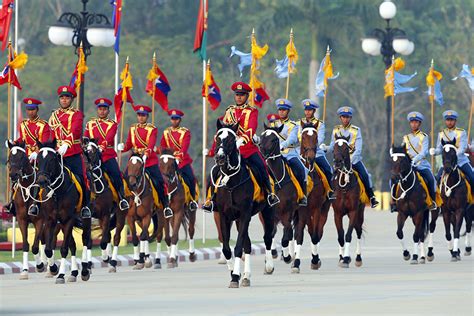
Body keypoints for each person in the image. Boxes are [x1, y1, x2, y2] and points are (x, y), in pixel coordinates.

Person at [202, 82, 279, 211]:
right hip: (231, 151)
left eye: (242, 95)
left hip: (248, 149)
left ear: (247, 96)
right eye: (237, 95)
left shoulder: (252, 111)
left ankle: (270, 194)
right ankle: (210, 200)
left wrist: (241, 141)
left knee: (263, 167)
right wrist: (213, 151)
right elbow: (222, 132)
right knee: (214, 172)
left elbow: (251, 129)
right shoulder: (229, 111)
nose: (239, 97)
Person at [118, 105, 173, 218]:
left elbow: (151, 144)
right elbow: (129, 144)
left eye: (143, 115)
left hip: (149, 161)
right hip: (135, 160)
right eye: (139, 115)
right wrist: (123, 147)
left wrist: (146, 154)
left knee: (159, 181)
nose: (141, 118)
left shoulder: (152, 129)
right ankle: (122, 201)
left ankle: (165, 205)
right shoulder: (133, 128)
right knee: (123, 179)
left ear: (147, 116)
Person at [321, 106, 379, 208]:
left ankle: (371, 197)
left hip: (354, 160)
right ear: (340, 118)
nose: (345, 119)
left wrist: (350, 160)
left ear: (350, 118)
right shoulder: (336, 130)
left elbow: (359, 149)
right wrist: (325, 148)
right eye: (343, 117)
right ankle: (330, 194)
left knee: (365, 175)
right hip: (339, 161)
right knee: (330, 175)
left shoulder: (356, 130)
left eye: (347, 117)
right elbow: (332, 146)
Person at [3, 98, 52, 215]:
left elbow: (44, 142)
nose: (30, 112)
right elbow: (22, 139)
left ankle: (37, 203)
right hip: (25, 157)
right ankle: (12, 203)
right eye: (28, 110)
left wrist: (37, 152)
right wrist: (13, 142)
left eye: (33, 109)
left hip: (38, 156)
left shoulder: (43, 125)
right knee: (15, 174)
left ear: (37, 110)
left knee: (39, 175)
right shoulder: (23, 124)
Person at [48, 86, 91, 218]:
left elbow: (76, 130)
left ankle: (85, 207)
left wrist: (67, 143)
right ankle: (36, 205)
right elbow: (50, 134)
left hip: (72, 153)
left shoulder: (77, 114)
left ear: (71, 99)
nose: (64, 100)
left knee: (82, 178)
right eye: (62, 97)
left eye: (67, 97)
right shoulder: (54, 116)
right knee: (43, 176)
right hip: (56, 154)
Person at [84, 98, 129, 211]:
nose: (102, 111)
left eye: (104, 109)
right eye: (100, 109)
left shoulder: (112, 124)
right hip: (92, 156)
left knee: (116, 175)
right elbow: (85, 137)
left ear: (108, 111)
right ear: (97, 110)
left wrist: (101, 147)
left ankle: (121, 198)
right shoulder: (90, 124)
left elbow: (109, 137)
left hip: (106, 155)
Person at [391, 111, 437, 212]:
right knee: (393, 179)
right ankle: (394, 202)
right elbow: (403, 150)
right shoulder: (406, 137)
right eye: (412, 122)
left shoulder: (424, 136)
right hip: (407, 166)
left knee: (431, 180)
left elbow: (423, 152)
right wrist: (394, 152)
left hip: (421, 165)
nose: (414, 124)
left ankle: (432, 202)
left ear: (419, 124)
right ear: (410, 123)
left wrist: (414, 160)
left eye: (416, 122)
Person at [268, 98, 307, 206]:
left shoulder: (293, 125)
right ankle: (266, 195)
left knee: (301, 169)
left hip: (289, 153)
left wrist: (282, 145)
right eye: (280, 109)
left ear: (288, 111)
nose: (281, 112)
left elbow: (292, 139)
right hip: (274, 155)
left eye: (284, 110)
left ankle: (302, 195)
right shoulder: (273, 124)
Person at [160, 109, 198, 211]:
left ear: (180, 120)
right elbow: (163, 145)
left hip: (182, 161)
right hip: (168, 160)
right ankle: (160, 201)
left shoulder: (185, 132)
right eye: (172, 119)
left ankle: (192, 200)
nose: (174, 121)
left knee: (191, 178)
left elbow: (184, 147)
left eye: (176, 119)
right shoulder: (166, 132)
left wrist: (178, 158)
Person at [430, 110, 473, 194]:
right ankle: (437, 201)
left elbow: (463, 147)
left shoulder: (461, 132)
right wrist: (434, 151)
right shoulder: (441, 134)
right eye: (448, 120)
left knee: (472, 177)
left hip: (461, 161)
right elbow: (439, 148)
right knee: (437, 179)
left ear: (455, 121)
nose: (449, 122)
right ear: (445, 121)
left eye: (451, 120)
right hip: (447, 162)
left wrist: (454, 155)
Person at [299, 99, 335, 200]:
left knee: (328, 169)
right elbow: (298, 136)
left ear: (314, 111)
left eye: (310, 110)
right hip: (301, 151)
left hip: (316, 152)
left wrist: (311, 145)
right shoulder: (299, 123)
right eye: (306, 110)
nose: (307, 112)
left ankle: (330, 191)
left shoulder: (320, 123)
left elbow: (321, 137)